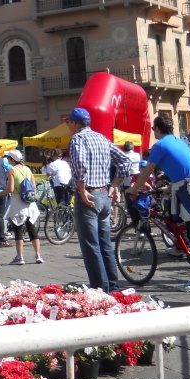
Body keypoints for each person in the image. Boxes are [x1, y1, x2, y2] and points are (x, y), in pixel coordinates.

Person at [127, 115, 190, 293]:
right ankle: (183, 252)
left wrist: (134, 189)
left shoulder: (160, 145)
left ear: (158, 129)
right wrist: (167, 183)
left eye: (154, 129)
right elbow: (180, 164)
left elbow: (146, 172)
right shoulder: (177, 140)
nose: (154, 132)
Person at [67, 108, 132, 293]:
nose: (68, 127)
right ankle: (113, 286)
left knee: (91, 246)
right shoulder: (102, 138)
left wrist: (81, 189)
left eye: (68, 123)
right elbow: (125, 161)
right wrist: (115, 184)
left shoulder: (77, 139)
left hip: (88, 195)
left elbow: (80, 163)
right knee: (105, 244)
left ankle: (100, 289)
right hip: (103, 194)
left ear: (75, 123)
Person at [5, 150, 43, 264]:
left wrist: (0, 193)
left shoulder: (11, 171)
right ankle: (38, 255)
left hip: (17, 203)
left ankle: (20, 257)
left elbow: (10, 189)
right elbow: (33, 185)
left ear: (12, 159)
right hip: (29, 203)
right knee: (32, 229)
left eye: (8, 158)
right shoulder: (27, 169)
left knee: (18, 230)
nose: (7, 160)